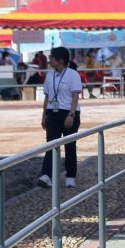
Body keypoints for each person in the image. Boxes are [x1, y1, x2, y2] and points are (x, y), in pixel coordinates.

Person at [38, 46, 83, 189]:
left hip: (69, 112)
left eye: (52, 57)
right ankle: (46, 175)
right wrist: (44, 115)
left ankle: (70, 176)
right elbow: (47, 96)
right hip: (53, 113)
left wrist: (71, 114)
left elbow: (75, 95)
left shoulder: (72, 74)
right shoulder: (49, 75)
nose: (49, 59)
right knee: (51, 144)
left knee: (70, 146)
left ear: (60, 60)